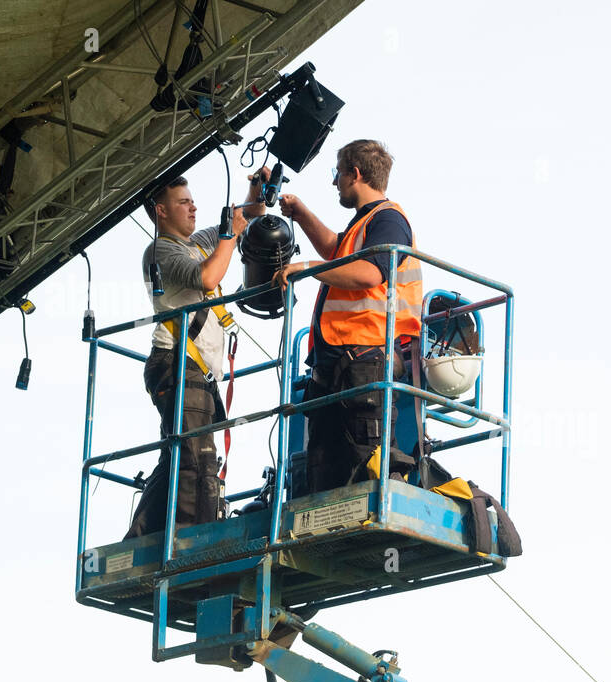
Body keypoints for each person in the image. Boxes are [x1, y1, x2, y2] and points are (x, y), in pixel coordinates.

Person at [124, 169, 268, 539]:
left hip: (192, 370)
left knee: (179, 454)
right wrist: (230, 235)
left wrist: (257, 190)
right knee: (197, 458)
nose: (193, 208)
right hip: (176, 364)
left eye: (192, 201)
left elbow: (249, 215)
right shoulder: (161, 250)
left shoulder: (199, 242)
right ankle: (192, 542)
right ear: (161, 211)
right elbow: (206, 277)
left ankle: (140, 539)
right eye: (183, 203)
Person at [272, 139, 423, 493]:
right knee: (325, 468)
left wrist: (307, 269)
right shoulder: (364, 225)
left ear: (355, 174)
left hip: (366, 356)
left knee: (366, 458)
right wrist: (301, 213)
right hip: (339, 362)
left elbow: (370, 272)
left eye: (337, 174)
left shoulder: (389, 220)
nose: (334, 182)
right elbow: (336, 250)